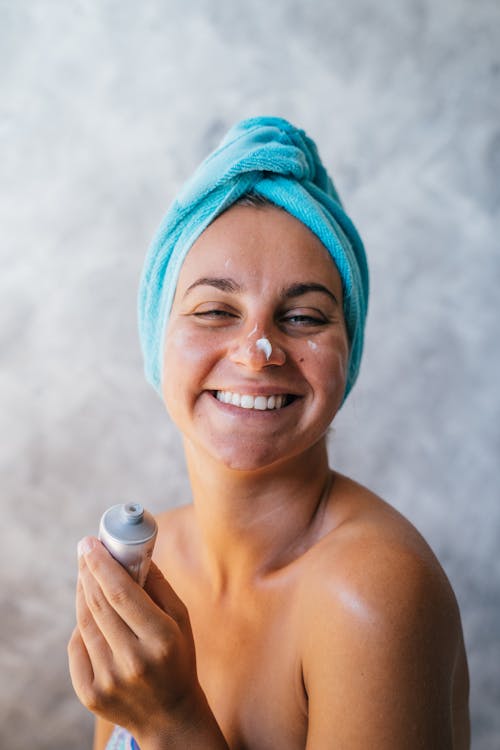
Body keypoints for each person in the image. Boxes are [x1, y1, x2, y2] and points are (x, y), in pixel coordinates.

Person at [68, 117, 470, 749]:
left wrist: (171, 720)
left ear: (348, 353)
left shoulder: (374, 593)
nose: (257, 352)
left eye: (304, 316)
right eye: (215, 310)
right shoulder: (148, 559)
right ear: (155, 338)